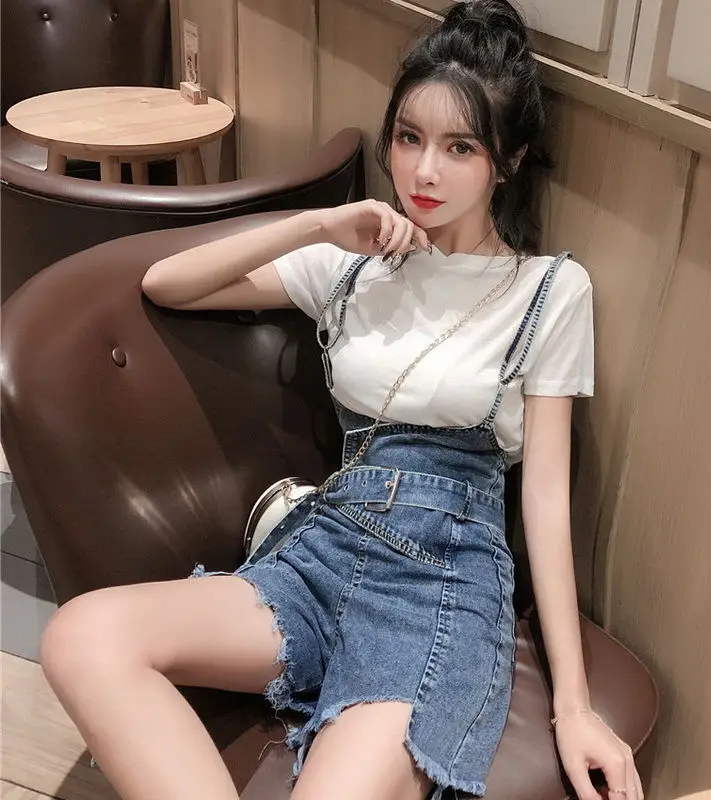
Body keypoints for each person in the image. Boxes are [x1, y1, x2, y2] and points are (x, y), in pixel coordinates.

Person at [39, 2, 645, 799]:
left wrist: (573, 707)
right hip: (322, 550)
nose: (423, 172)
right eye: (409, 137)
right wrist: (319, 224)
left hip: (439, 586)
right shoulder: (351, 266)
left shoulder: (548, 291)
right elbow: (168, 285)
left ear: (510, 159)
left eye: (460, 147)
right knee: (83, 637)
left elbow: (544, 502)